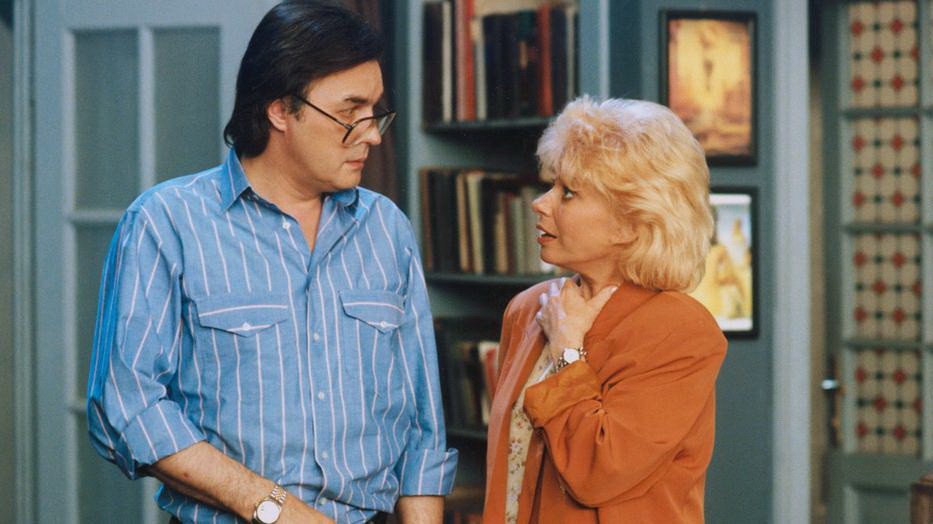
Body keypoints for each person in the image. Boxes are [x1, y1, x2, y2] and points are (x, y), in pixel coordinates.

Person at [86, 2, 457, 523]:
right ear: (280, 110)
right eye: (351, 112)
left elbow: (422, 426)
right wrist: (275, 509)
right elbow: (127, 405)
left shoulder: (386, 228)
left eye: (375, 111)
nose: (373, 134)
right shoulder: (166, 222)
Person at [483, 97, 728, 523]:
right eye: (551, 185)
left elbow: (598, 472)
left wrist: (567, 351)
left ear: (631, 222)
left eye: (568, 193)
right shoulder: (527, 310)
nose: (540, 203)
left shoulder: (680, 330)